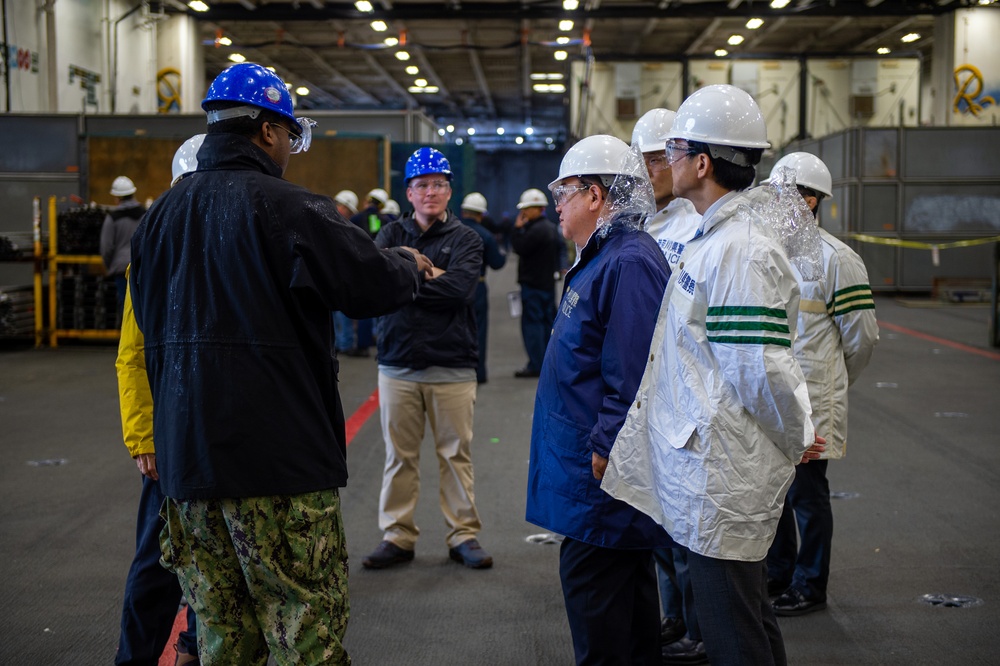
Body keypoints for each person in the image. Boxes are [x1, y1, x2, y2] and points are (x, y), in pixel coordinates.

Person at [129, 62, 432, 665]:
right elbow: (367, 284)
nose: (292, 150)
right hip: (279, 467)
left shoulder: (156, 221)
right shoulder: (289, 207)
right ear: (268, 132)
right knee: (304, 636)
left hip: (189, 472)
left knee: (221, 641)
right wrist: (408, 264)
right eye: (291, 137)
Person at [603, 84, 824, 666]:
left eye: (673, 150)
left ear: (702, 162)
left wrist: (798, 433)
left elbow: (761, 369)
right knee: (745, 618)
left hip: (724, 474)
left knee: (733, 629)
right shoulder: (716, 238)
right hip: (711, 465)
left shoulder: (741, 250)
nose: (666, 162)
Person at [525, 134, 674, 665]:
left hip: (600, 476)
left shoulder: (627, 260)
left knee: (598, 606)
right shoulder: (608, 255)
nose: (556, 205)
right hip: (591, 468)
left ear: (594, 195)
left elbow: (632, 369)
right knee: (625, 601)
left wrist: (609, 445)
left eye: (562, 193)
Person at [363, 147, 492, 571]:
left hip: (452, 364)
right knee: (399, 456)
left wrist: (409, 277)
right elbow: (380, 287)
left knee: (456, 455)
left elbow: (460, 291)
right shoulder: (389, 236)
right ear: (410, 192)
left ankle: (463, 535)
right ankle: (397, 534)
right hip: (398, 363)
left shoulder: (467, 238)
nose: (430, 191)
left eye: (438, 184)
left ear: (449, 190)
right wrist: (432, 275)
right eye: (422, 185)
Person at [765, 152, 879, 616]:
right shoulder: (766, 254)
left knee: (807, 495)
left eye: (783, 196)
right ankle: (777, 575)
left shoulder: (838, 261)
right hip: (772, 397)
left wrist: (834, 383)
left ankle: (810, 584)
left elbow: (862, 338)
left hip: (812, 399)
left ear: (810, 200)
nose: (773, 206)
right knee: (772, 492)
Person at [114, 136, 203, 666]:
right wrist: (144, 438)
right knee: (155, 565)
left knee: (218, 563)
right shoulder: (152, 255)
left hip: (219, 439)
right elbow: (132, 355)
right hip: (169, 443)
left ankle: (193, 645)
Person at [631, 106, 707, 665]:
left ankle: (702, 630)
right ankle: (676, 615)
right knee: (659, 521)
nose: (655, 169)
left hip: (688, 395)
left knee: (687, 527)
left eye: (663, 157)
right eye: (647, 159)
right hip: (647, 392)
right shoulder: (639, 225)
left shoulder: (695, 225)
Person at [511, 187, 562, 378]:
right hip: (547, 284)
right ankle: (548, 362)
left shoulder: (532, 230)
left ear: (536, 209)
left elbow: (519, 247)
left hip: (532, 286)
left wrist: (517, 229)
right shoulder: (550, 228)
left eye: (526, 209)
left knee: (533, 326)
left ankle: (536, 364)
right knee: (548, 324)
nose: (522, 213)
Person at [460, 192, 507, 384]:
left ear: (464, 211)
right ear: (481, 214)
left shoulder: (452, 231)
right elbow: (496, 263)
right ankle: (478, 373)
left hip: (451, 285)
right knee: (478, 330)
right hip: (476, 287)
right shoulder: (486, 235)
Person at [343, 187, 390, 357]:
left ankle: (362, 345)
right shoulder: (383, 220)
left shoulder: (356, 218)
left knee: (363, 306)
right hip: (380, 266)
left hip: (359, 267)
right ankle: (382, 345)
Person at [100, 175, 145, 321]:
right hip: (142, 267)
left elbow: (106, 247)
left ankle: (127, 341)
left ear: (117, 198)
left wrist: (110, 265)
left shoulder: (112, 218)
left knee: (126, 308)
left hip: (120, 269)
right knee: (143, 305)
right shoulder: (146, 214)